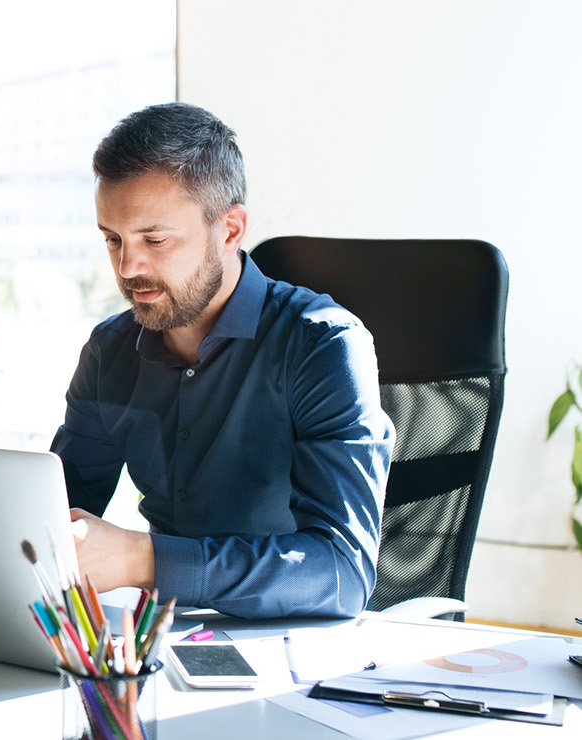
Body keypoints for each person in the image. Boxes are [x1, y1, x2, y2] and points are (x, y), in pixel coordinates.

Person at [53, 102, 394, 620]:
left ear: (231, 229)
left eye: (155, 238)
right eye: (113, 239)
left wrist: (143, 559)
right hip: (166, 639)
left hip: (298, 648)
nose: (128, 266)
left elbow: (342, 574)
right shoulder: (109, 352)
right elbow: (53, 515)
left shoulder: (323, 345)